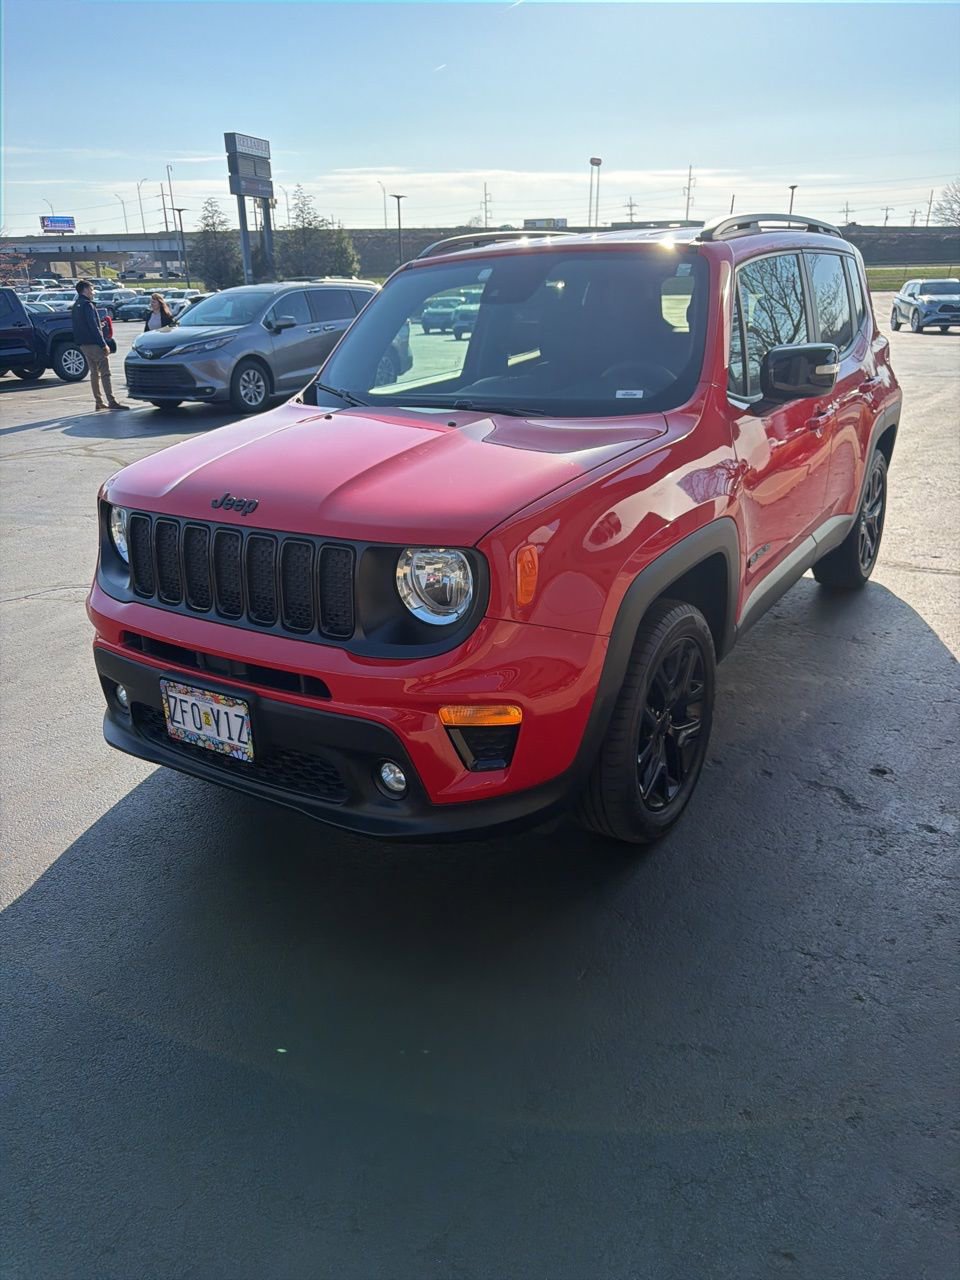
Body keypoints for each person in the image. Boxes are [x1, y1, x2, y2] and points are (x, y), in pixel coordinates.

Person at [71, 279, 128, 411]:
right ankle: (111, 400)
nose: (93, 292)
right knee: (105, 373)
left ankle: (99, 401)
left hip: (83, 344)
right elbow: (92, 326)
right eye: (91, 289)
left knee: (94, 373)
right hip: (94, 344)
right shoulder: (87, 305)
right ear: (85, 290)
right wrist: (103, 344)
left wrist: (99, 325)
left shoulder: (76, 305)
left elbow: (81, 325)